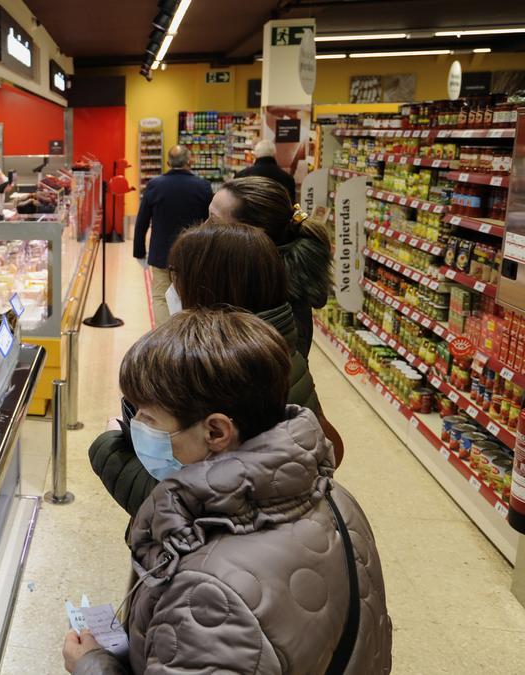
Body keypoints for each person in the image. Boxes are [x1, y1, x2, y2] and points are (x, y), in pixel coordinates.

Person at [65, 309, 392, 675]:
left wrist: (92, 665)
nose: (135, 426)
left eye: (147, 418)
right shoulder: (336, 499)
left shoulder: (205, 594)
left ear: (217, 432)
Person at [90, 219, 346, 518]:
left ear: (209, 283)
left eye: (177, 276)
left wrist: (110, 452)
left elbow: (207, 511)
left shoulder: (235, 370)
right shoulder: (275, 344)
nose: (172, 288)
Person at [210, 175, 331, 355]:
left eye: (213, 220)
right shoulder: (246, 272)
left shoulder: (276, 300)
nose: (205, 228)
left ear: (255, 232)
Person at [132, 145, 212, 325]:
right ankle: (185, 334)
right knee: (190, 295)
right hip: (192, 254)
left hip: (162, 255)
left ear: (168, 162)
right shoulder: (203, 187)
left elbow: (142, 221)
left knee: (160, 297)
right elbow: (211, 221)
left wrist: (139, 252)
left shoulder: (154, 185)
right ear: (189, 161)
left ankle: (164, 339)